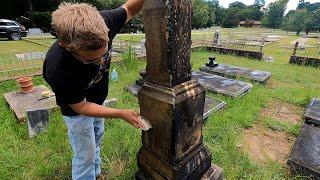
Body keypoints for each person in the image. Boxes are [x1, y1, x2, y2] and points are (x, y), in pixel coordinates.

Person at [43, 1, 145, 179]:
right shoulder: (57, 69)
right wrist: (120, 113)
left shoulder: (102, 23)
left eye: (103, 55)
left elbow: (129, 8)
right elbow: (81, 107)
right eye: (91, 60)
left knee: (97, 136)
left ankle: (96, 174)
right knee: (85, 155)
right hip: (77, 110)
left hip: (98, 98)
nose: (100, 63)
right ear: (66, 46)